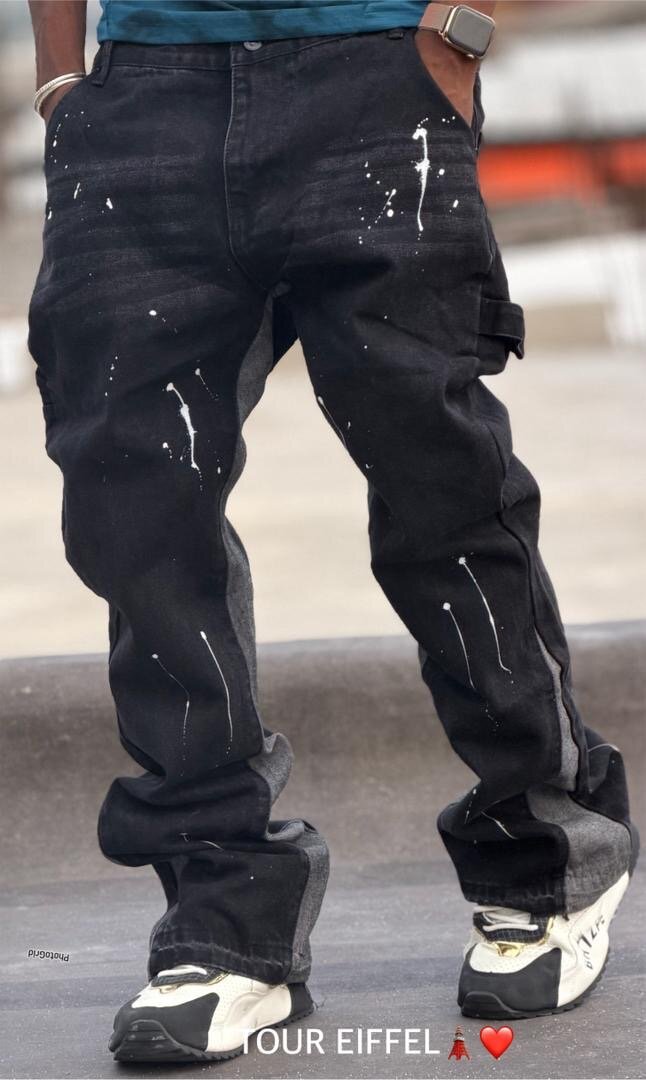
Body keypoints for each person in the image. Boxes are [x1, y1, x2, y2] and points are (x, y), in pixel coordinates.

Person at [27, 0, 638, 1064]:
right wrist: (58, 79)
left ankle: (545, 854)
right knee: (137, 510)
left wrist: (457, 29)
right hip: (143, 96)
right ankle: (223, 923)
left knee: (439, 486)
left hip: (376, 73)